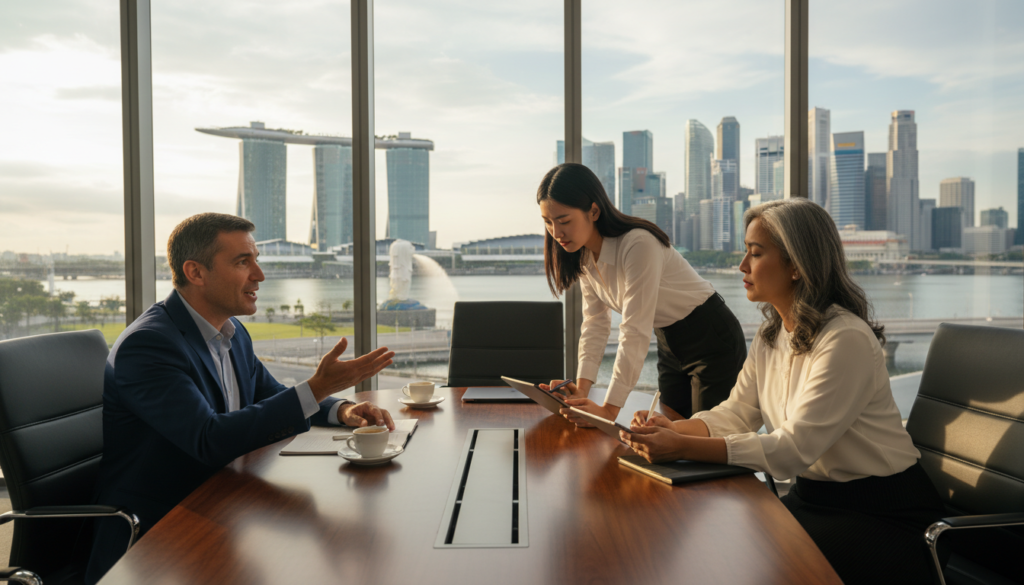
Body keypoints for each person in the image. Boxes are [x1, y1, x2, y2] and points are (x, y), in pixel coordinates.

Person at [622, 199, 945, 584]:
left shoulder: (845, 340)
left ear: (796, 265)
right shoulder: (771, 333)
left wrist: (681, 447)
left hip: (881, 514)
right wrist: (672, 429)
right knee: (718, 546)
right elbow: (736, 414)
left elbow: (792, 449)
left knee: (747, 563)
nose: (742, 266)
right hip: (813, 499)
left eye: (755, 254)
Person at [85, 213, 396, 583]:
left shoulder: (232, 334)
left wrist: (341, 409)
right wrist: (317, 388)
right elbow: (208, 439)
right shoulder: (149, 345)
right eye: (242, 262)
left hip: (223, 505)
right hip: (159, 536)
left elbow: (271, 394)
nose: (259, 275)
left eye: (256, 260)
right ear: (196, 272)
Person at [536, 163, 747, 425]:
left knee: (708, 436)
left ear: (593, 210)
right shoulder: (584, 257)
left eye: (564, 220)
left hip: (711, 338)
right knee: (671, 434)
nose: (556, 233)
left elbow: (634, 329)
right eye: (548, 222)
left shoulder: (638, 243)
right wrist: (581, 391)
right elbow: (595, 325)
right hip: (669, 342)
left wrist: (608, 411)